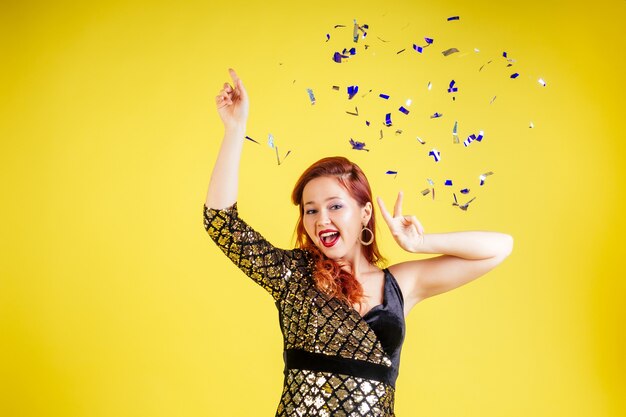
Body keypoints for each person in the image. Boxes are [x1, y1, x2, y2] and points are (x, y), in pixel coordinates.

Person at [204, 68, 514, 417]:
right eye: (311, 210)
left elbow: (499, 247)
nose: (321, 219)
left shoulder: (400, 286)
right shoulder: (291, 275)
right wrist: (235, 130)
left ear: (365, 213)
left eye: (335, 206)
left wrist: (420, 242)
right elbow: (221, 224)